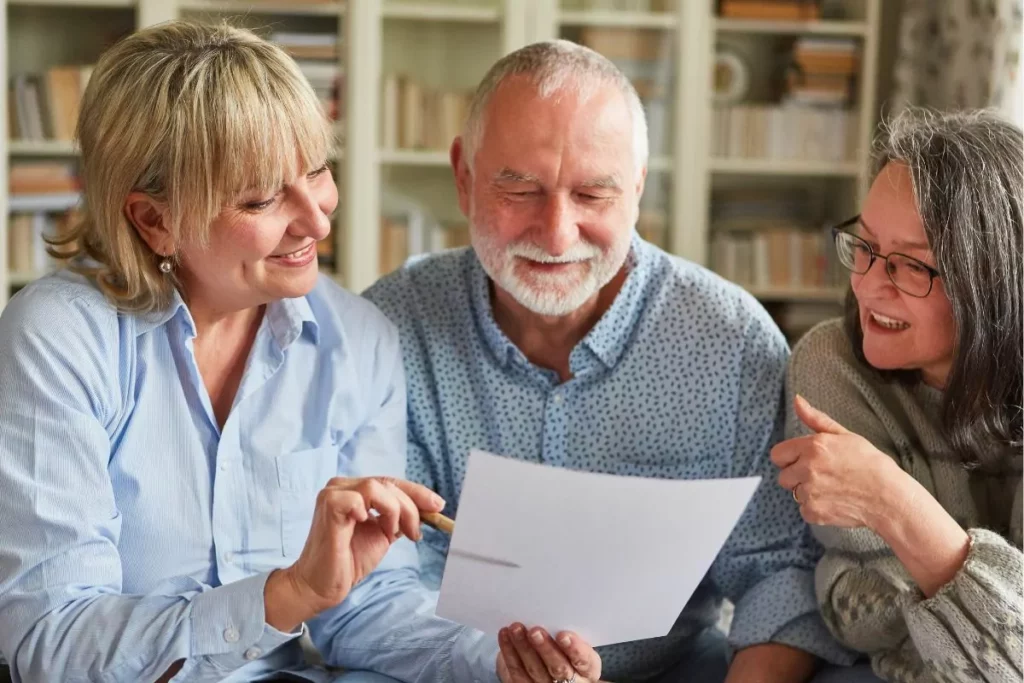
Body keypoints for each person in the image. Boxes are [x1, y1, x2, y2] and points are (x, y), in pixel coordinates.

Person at [0, 22, 501, 683]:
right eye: (262, 197)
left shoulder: (358, 340)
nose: (318, 220)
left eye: (317, 170)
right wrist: (286, 592)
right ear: (155, 220)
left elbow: (367, 608)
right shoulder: (59, 337)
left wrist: (505, 661)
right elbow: (53, 639)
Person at [364, 40, 858, 683]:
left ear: (638, 187)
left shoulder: (730, 342)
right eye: (519, 189)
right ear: (463, 175)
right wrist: (494, 667)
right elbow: (376, 586)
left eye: (594, 196)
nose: (558, 233)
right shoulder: (390, 328)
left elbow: (776, 572)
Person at [771, 109, 1023, 683]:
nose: (867, 283)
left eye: (912, 265)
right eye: (865, 246)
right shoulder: (831, 365)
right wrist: (991, 593)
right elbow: (853, 616)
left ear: (997, 280)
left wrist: (893, 503)